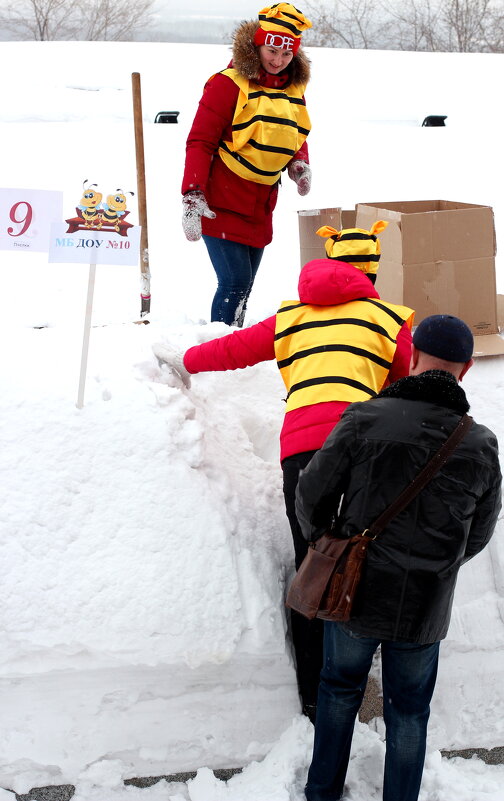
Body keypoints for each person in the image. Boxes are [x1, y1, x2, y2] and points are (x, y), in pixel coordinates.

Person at [153, 223, 415, 722]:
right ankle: (361, 675)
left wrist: (181, 359)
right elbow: (403, 382)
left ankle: (317, 699)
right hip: (366, 448)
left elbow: (230, 350)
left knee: (313, 564)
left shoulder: (291, 317)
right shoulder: (386, 318)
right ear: (371, 274)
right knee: (364, 554)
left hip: (304, 453)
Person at [295, 314, 502, 801]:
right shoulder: (479, 442)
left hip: (355, 592)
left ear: (411, 357)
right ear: (466, 369)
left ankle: (321, 793)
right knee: (409, 711)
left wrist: (330, 543)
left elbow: (310, 495)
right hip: (425, 606)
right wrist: (440, 566)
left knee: (339, 690)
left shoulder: (365, 416)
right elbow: (481, 532)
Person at [181, 3, 313, 328]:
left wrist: (299, 164)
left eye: (286, 55)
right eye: (272, 50)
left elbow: (293, 133)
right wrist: (192, 197)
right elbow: (200, 141)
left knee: (245, 285)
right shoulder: (227, 84)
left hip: (261, 205)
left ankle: (229, 348)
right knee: (235, 281)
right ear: (257, 44)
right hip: (221, 202)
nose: (278, 60)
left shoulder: (293, 89)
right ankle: (217, 350)